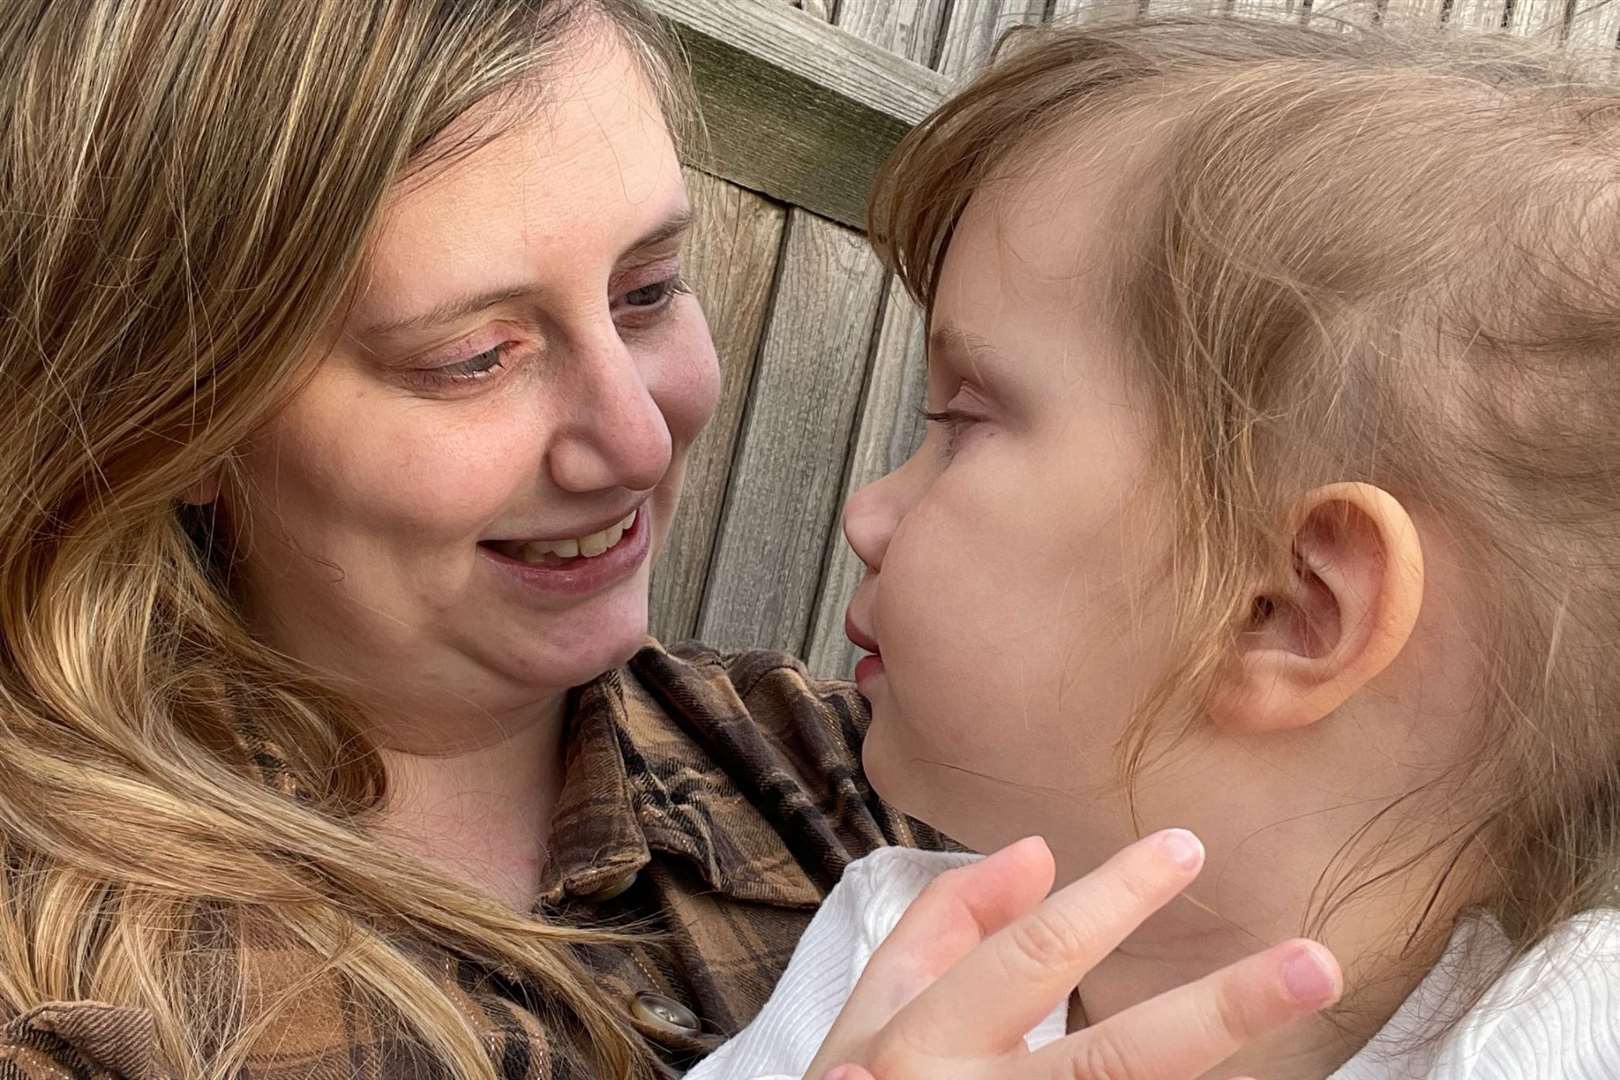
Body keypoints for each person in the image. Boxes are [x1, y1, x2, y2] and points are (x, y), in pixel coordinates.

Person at [0, 3, 1330, 1077]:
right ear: (174, 411)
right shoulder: (70, 975)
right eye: (473, 357)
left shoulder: (846, 770)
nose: (636, 440)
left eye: (646, 293)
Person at [685, 14, 1620, 1080]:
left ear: (1285, 609)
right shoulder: (896, 964)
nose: (866, 514)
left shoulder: (1575, 1035)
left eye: (961, 424)